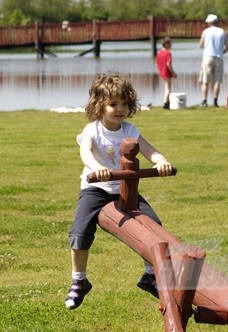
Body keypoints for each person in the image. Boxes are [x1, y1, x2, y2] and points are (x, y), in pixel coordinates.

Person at [65, 72, 175, 310]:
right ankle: (79, 280)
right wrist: (97, 168)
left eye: (124, 103)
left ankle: (149, 275)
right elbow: (85, 153)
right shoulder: (92, 130)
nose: (120, 109)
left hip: (126, 188)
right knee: (80, 231)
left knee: (153, 224)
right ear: (98, 105)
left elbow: (149, 150)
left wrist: (161, 161)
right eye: (113, 104)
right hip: (97, 188)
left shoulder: (129, 130)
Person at [199, 14, 228, 108]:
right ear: (217, 22)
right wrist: (221, 52)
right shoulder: (223, 32)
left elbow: (201, 45)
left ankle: (204, 101)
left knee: (205, 81)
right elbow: (227, 47)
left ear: (209, 23)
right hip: (219, 58)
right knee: (217, 81)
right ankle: (215, 102)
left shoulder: (205, 31)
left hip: (207, 57)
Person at [156, 36, 177, 109]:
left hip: (162, 72)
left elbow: (156, 64)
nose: (171, 45)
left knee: (166, 88)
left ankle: (167, 102)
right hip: (167, 73)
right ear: (166, 44)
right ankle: (166, 103)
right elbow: (168, 64)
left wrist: (160, 70)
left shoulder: (159, 53)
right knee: (168, 89)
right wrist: (173, 73)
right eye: (170, 44)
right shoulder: (168, 53)